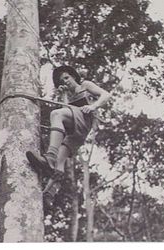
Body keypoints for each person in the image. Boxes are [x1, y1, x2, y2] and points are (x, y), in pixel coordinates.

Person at [26, 65, 111, 207]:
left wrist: (93, 106)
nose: (65, 81)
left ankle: (50, 156)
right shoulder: (68, 94)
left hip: (85, 120)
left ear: (73, 76)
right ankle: (49, 193)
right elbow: (67, 111)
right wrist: (63, 95)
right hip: (75, 128)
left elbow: (106, 95)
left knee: (55, 114)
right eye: (62, 81)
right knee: (60, 160)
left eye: (67, 77)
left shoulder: (85, 85)